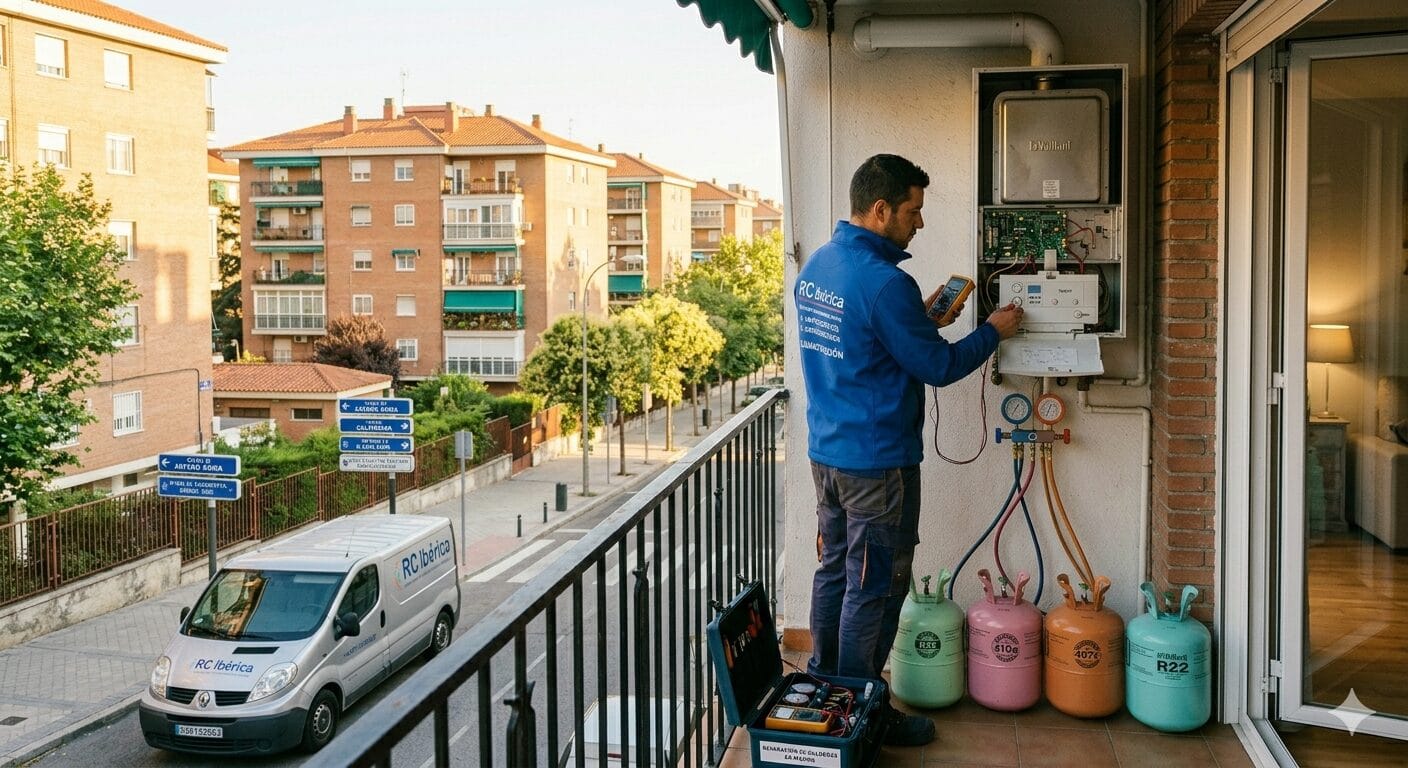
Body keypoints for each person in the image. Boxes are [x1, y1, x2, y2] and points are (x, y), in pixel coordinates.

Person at [795, 154, 1023, 746]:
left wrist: (914, 321)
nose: (918, 224)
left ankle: (826, 689)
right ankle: (860, 710)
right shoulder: (885, 282)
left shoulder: (819, 266)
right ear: (881, 209)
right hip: (877, 462)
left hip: (828, 454)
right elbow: (939, 365)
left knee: (834, 572)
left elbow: (860, 345)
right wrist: (994, 329)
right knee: (876, 583)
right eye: (913, 211)